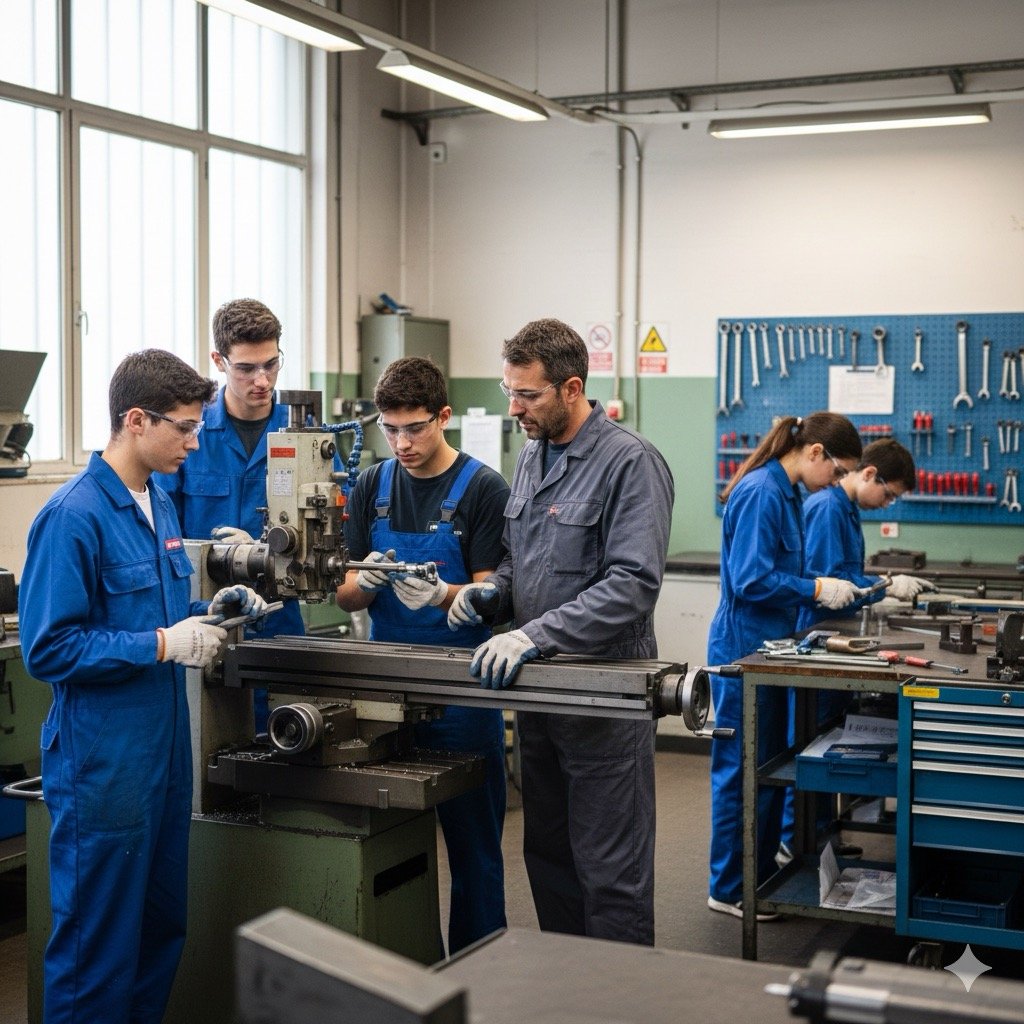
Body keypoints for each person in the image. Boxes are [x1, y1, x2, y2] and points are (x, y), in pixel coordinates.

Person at [18, 349, 267, 1024]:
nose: (195, 442)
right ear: (136, 420)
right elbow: (48, 648)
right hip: (103, 765)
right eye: (183, 428)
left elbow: (159, 617)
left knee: (160, 933)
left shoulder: (157, 501)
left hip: (162, 757)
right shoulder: (73, 516)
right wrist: (162, 644)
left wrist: (212, 612)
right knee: (95, 952)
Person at [448, 318, 674, 946]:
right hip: (541, 701)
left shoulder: (630, 462)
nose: (513, 408)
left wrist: (533, 635)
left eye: (527, 395)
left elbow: (632, 583)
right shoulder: (532, 454)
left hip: (602, 702)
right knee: (549, 861)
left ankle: (617, 995)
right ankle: (565, 986)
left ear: (572, 388)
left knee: (610, 873)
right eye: (509, 391)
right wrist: (490, 596)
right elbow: (521, 560)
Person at [334, 356, 510, 955]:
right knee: (389, 848)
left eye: (415, 428)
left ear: (444, 416)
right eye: (390, 429)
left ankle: (479, 976)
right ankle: (406, 977)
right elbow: (345, 593)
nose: (402, 443)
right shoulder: (370, 485)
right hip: (385, 691)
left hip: (463, 692)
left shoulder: (483, 488)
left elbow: (490, 593)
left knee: (475, 853)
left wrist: (444, 594)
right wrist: (368, 581)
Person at [705, 412, 863, 921]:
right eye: (837, 471)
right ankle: (729, 887)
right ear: (815, 452)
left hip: (769, 649)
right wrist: (815, 588)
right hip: (742, 648)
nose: (836, 483)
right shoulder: (762, 492)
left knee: (767, 767)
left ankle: (759, 875)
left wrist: (830, 586)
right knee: (740, 769)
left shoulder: (789, 494)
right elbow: (750, 580)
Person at [154, 298, 302, 732]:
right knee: (208, 742)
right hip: (205, 617)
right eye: (246, 368)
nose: (262, 380)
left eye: (271, 364)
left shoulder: (301, 433)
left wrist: (265, 548)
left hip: (279, 618)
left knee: (288, 739)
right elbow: (163, 534)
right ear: (219, 361)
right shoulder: (190, 432)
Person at [798, 437, 928, 630]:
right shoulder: (828, 507)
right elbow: (829, 583)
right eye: (888, 495)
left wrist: (880, 585)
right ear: (869, 474)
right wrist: (885, 585)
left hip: (835, 623)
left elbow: (847, 575)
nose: (886, 504)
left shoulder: (847, 508)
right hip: (817, 626)